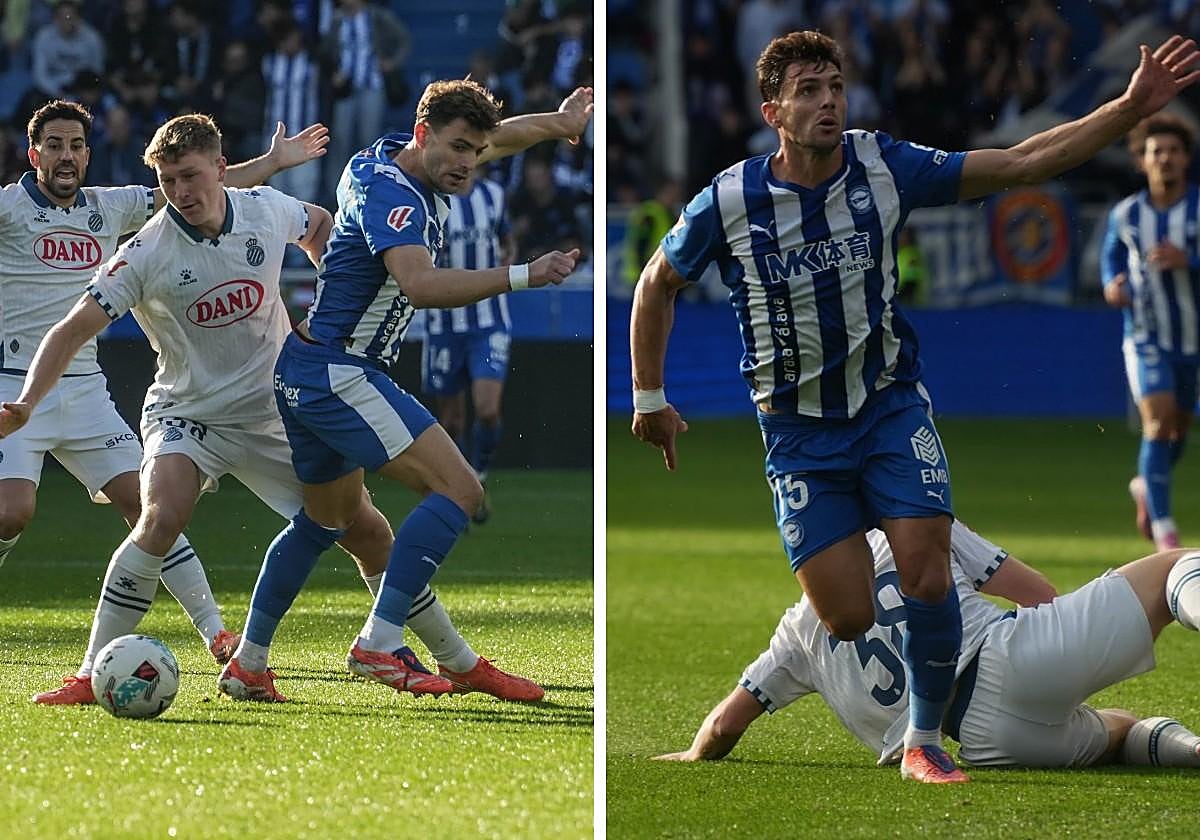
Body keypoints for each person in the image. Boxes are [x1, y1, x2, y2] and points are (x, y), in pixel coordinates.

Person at [629, 30, 1200, 783]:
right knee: (845, 616)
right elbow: (655, 284)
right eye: (808, 89)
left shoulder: (881, 165)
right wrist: (648, 397)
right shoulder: (731, 199)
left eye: (835, 85)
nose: (828, 100)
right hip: (799, 434)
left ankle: (922, 742)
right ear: (773, 109)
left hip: (889, 405)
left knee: (928, 569)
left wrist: (1129, 108)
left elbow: (1025, 160)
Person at [0, 114, 510, 709]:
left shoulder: (265, 209)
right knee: (160, 517)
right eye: (168, 182)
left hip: (274, 411)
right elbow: (68, 331)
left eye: (191, 177)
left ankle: (448, 657)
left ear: (221, 169)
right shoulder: (144, 253)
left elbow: (319, 224)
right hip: (186, 415)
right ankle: (92, 674)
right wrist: (27, 402)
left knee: (367, 530)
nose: (181, 194)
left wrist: (335, 295)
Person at [224, 79, 593, 702]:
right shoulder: (398, 200)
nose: (469, 163)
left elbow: (500, 137)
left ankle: (250, 661)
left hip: (308, 367)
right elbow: (420, 285)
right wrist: (525, 274)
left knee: (324, 520)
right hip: (340, 370)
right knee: (461, 488)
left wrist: (559, 123)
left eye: (474, 151)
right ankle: (377, 641)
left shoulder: (386, 155)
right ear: (423, 137)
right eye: (458, 149)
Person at [0, 100, 325, 700]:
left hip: (89, 388)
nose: (66, 154)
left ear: (87, 154)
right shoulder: (10, 210)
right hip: (16, 383)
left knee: (154, 510)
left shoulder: (112, 205)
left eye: (76, 144)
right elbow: (193, 187)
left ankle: (223, 634)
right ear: (34, 153)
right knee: (15, 512)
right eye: (54, 145)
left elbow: (206, 189)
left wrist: (275, 163)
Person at [655, 521, 1200, 771]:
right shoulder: (913, 526)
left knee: (1119, 729)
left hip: (987, 743)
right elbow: (1040, 595)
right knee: (1176, 566)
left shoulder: (795, 634)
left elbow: (725, 726)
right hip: (1009, 659)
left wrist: (692, 755)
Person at [1102, 113, 1200, 551]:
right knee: (1158, 424)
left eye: (1174, 151)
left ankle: (1145, 486)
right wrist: (1112, 285)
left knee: (1178, 430)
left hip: (1194, 341)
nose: (1166, 159)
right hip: (1145, 335)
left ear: (1186, 159)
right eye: (1156, 151)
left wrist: (1190, 262)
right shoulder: (1126, 214)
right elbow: (1111, 260)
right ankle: (1164, 531)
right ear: (1142, 161)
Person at [422, 173, 516, 524]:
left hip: (489, 320)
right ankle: (457, 490)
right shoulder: (430, 198)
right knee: (450, 421)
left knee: (488, 409)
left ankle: (478, 476)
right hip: (443, 323)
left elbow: (507, 239)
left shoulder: (494, 194)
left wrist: (508, 256)